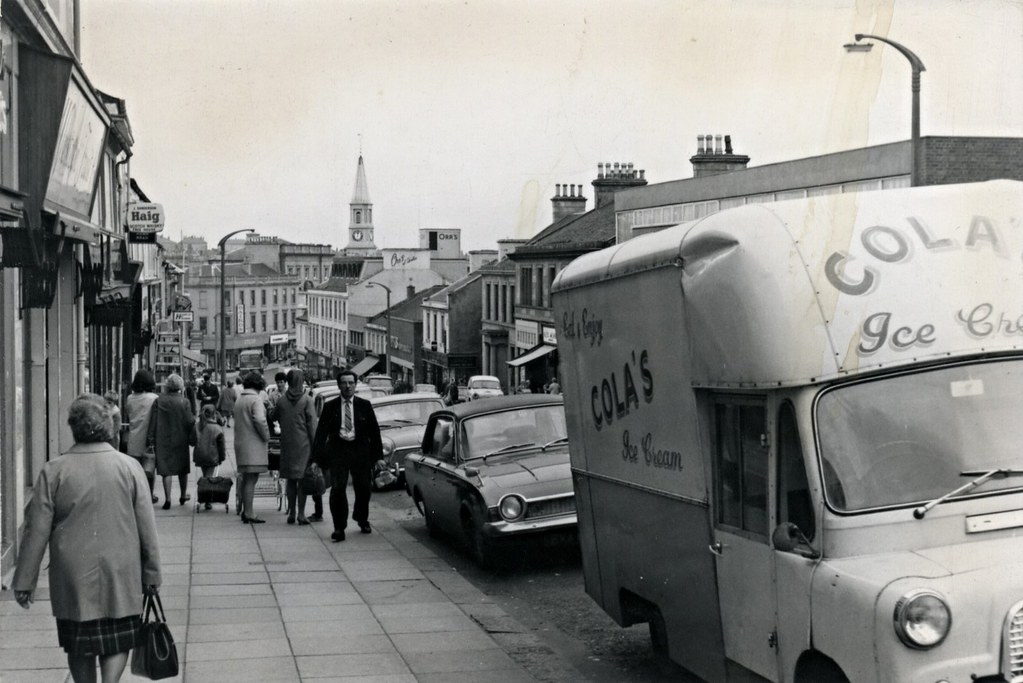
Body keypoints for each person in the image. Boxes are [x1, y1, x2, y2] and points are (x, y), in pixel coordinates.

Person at [12, 393, 161, 683]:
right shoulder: (130, 468)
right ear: (109, 427)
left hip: (73, 573)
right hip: (120, 568)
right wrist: (152, 572)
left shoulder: (54, 470)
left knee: (78, 641)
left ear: (73, 427)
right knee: (118, 637)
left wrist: (25, 580)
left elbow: (36, 531)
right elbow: (147, 528)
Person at [312, 369, 382, 542]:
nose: (348, 386)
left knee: (364, 487)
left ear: (355, 385)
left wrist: (378, 457)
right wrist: (316, 460)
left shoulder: (365, 406)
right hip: (338, 451)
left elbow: (374, 432)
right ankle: (339, 527)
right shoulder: (330, 407)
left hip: (360, 452)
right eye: (344, 383)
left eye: (351, 383)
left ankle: (361, 517)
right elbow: (321, 434)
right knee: (337, 489)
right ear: (339, 385)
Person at [269, 368, 318, 525]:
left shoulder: (282, 400)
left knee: (290, 480)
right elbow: (312, 426)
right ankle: (301, 514)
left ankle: (291, 512)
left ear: (288, 382)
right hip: (303, 445)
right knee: (302, 480)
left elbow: (273, 416)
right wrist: (316, 445)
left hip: (287, 444)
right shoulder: (306, 400)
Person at [148, 373, 195, 510]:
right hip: (180, 438)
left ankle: (167, 499)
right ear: (180, 386)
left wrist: (151, 439)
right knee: (182, 469)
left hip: (162, 439)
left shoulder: (159, 401)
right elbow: (189, 421)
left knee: (166, 470)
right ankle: (182, 495)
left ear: (168, 386)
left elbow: (153, 421)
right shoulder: (184, 401)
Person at [234, 371, 270, 523]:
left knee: (246, 478)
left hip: (241, 443)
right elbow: (260, 420)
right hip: (253, 446)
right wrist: (266, 436)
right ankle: (249, 513)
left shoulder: (240, 399)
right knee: (251, 479)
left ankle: (245, 510)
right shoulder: (255, 399)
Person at [124, 370, 160, 504]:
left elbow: (128, 414)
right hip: (147, 439)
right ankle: (149, 494)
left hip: (133, 438)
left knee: (135, 471)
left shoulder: (130, 398)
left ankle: (135, 495)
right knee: (149, 470)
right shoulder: (154, 398)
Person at [193, 404, 227, 511]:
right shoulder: (217, 428)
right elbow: (221, 446)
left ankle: (205, 497)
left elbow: (191, 440)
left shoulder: (198, 426)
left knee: (205, 475)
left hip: (200, 454)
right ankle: (206, 500)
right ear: (214, 414)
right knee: (209, 477)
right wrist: (221, 457)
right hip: (212, 455)